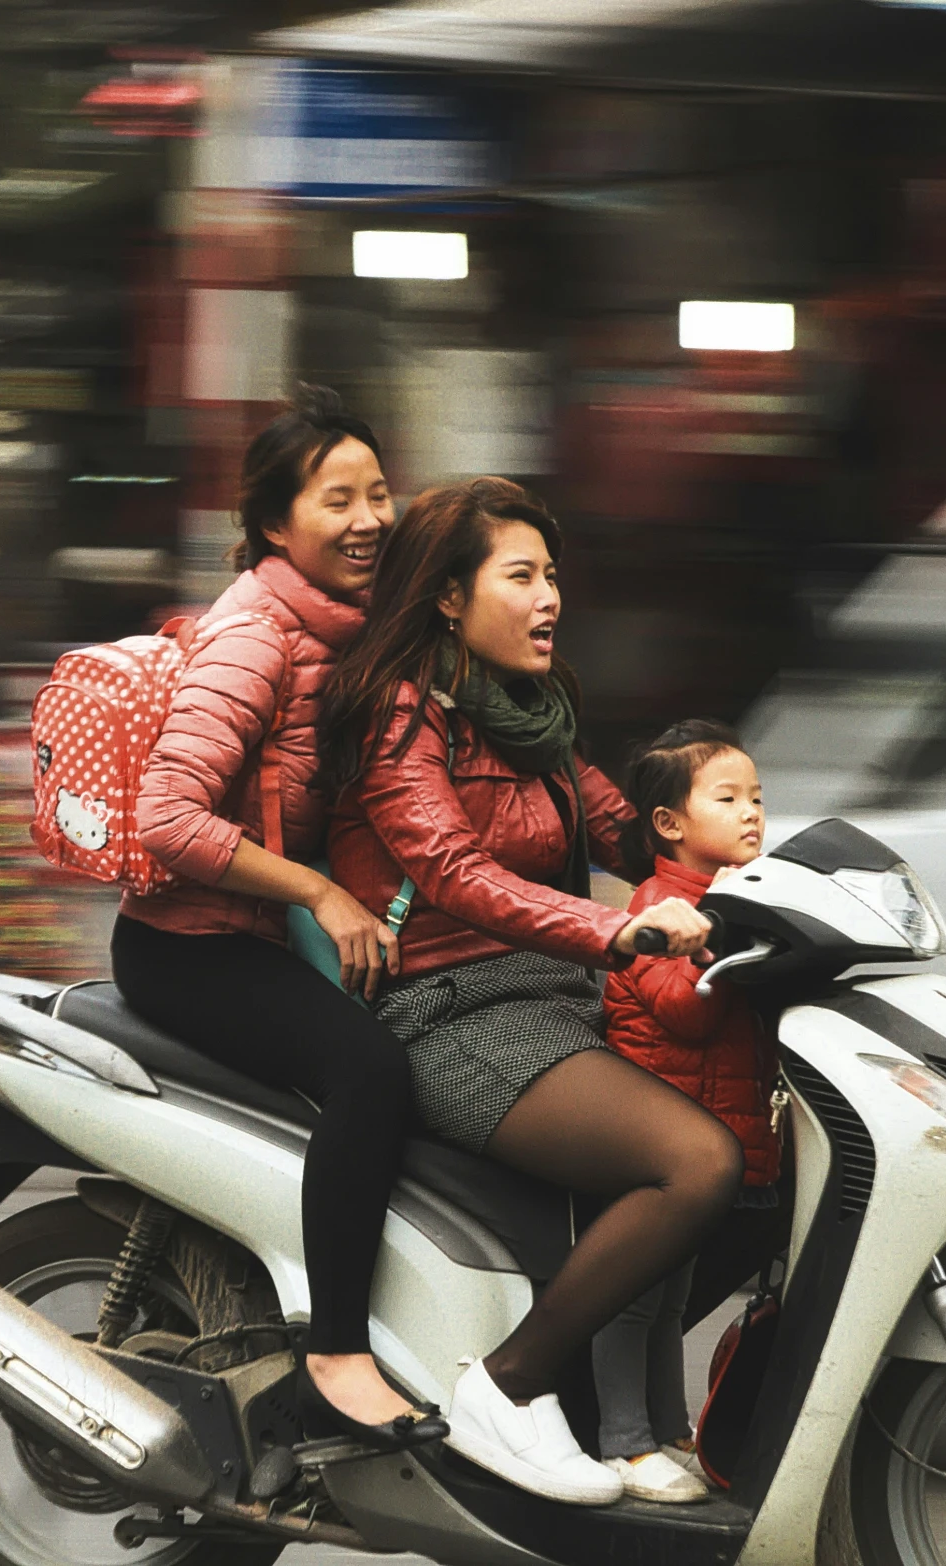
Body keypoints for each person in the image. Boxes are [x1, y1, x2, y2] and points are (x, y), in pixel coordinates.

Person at [322, 477, 742, 1506]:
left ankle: (640, 1427)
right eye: (522, 576)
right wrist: (616, 926)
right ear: (451, 598)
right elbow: (457, 871)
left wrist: (752, 862)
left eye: (553, 575)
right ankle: (510, 1387)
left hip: (547, 993)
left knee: (740, 1125)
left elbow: (620, 827)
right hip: (449, 1010)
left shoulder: (531, 714)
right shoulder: (399, 717)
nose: (550, 596)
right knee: (694, 1161)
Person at [111, 386, 443, 1450]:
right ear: (270, 527)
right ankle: (336, 1358)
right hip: (188, 949)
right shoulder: (255, 636)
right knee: (371, 1073)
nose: (367, 519)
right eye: (335, 499)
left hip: (259, 937)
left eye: (379, 492)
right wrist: (318, 891)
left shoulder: (350, 630)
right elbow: (163, 816)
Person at [590, 720, 782, 1503]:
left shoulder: (730, 900)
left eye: (757, 798)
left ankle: (668, 1432)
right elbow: (688, 1015)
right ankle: (622, 1444)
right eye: (728, 798)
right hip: (657, 1142)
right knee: (633, 1298)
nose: (751, 814)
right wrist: (720, 951)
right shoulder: (661, 906)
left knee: (669, 1301)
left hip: (705, 1132)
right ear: (668, 824)